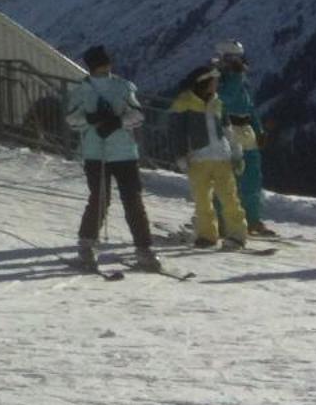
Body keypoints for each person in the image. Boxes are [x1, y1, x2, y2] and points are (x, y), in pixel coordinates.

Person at [64, 44, 160, 272]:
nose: (106, 66)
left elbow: (72, 120)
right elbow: (137, 116)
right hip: (120, 151)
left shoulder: (83, 89)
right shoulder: (122, 86)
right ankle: (142, 249)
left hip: (98, 152)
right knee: (128, 200)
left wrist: (95, 120)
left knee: (104, 199)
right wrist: (116, 121)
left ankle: (88, 245)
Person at [169, 64, 247, 250]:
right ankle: (207, 235)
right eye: (214, 81)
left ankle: (236, 235)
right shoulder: (184, 103)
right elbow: (177, 133)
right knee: (202, 200)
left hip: (221, 157)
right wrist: (180, 155)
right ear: (204, 82)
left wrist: (236, 152)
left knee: (229, 198)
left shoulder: (217, 102)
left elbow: (228, 130)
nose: (216, 85)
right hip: (199, 158)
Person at [212, 39, 274, 238]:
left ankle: (252, 219)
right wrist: (235, 77)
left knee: (252, 179)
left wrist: (259, 130)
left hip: (247, 133)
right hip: (226, 132)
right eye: (232, 57)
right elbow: (225, 98)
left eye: (238, 57)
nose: (236, 61)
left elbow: (250, 108)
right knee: (227, 180)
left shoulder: (240, 80)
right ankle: (222, 220)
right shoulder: (217, 79)